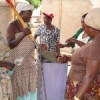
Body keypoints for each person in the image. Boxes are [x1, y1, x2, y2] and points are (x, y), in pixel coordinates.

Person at [64, 8, 100, 100]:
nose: (83, 28)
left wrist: (77, 98)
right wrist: (68, 58)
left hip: (82, 90)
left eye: (86, 26)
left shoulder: (95, 46)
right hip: (80, 87)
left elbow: (90, 75)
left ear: (92, 28)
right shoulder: (94, 44)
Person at [6, 2, 37, 100]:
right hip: (19, 66)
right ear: (20, 13)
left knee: (30, 90)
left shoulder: (27, 25)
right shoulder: (12, 25)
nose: (30, 15)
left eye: (31, 13)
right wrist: (23, 34)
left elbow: (30, 42)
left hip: (30, 63)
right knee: (20, 91)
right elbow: (10, 44)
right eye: (28, 13)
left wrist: (37, 45)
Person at [34, 12, 67, 100]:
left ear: (50, 19)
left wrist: (58, 55)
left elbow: (57, 44)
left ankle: (50, 91)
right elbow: (34, 37)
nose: (45, 20)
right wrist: (37, 46)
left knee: (51, 73)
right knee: (42, 72)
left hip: (52, 55)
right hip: (42, 55)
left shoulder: (56, 30)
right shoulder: (40, 28)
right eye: (44, 18)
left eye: (47, 18)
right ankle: (41, 94)